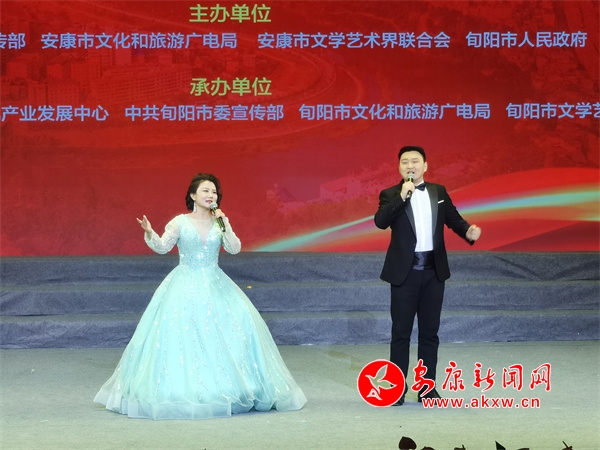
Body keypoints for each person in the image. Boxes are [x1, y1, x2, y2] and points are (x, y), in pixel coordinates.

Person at [94, 173, 307, 419]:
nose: (210, 195)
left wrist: (225, 224)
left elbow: (234, 249)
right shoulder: (180, 222)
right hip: (183, 284)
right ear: (193, 195)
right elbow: (162, 247)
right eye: (205, 191)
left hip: (216, 283)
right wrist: (150, 232)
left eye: (214, 192)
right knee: (182, 336)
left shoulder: (220, 221)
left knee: (233, 328)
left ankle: (229, 388)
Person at [374, 146, 481, 405]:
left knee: (430, 333)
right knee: (401, 333)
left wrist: (467, 231)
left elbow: (453, 219)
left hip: (433, 273)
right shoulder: (390, 194)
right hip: (405, 274)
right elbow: (380, 221)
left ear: (425, 166)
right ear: (399, 167)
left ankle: (427, 388)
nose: (410, 165)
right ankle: (397, 388)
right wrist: (402, 196)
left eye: (415, 161)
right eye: (405, 162)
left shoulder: (438, 192)